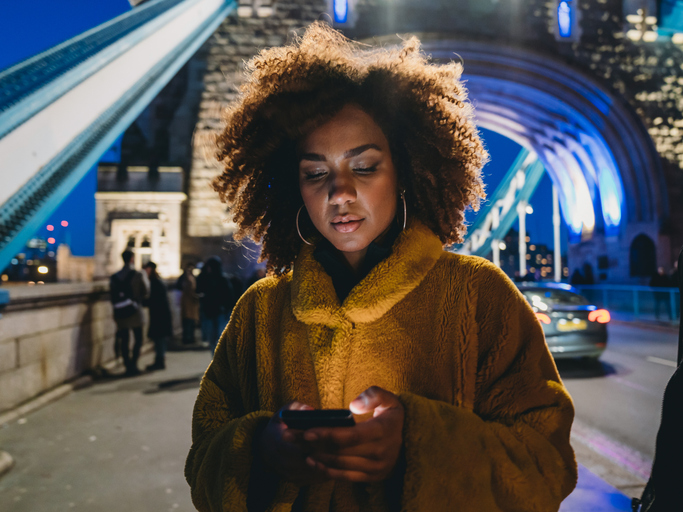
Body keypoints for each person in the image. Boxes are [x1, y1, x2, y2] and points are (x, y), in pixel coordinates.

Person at [185, 23, 577, 511]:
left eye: (364, 166)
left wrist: (419, 446)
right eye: (315, 173)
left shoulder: (480, 295)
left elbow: (546, 465)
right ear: (293, 187)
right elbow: (203, 457)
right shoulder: (259, 312)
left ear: (407, 170)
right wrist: (260, 451)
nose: (340, 192)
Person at [110, 250, 149, 376]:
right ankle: (133, 365)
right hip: (135, 310)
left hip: (120, 312)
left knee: (124, 340)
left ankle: (127, 366)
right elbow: (145, 292)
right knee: (138, 339)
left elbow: (112, 296)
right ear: (132, 259)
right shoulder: (137, 275)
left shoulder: (114, 277)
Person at [195, 256, 237, 354]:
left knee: (219, 338)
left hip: (220, 313)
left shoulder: (222, 279)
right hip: (210, 313)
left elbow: (229, 296)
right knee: (212, 339)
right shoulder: (205, 278)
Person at [143, 261, 173, 371]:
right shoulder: (157, 281)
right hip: (160, 314)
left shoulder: (155, 282)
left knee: (159, 339)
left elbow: (154, 300)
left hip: (159, 315)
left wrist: (143, 302)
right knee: (159, 339)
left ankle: (159, 361)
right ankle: (159, 360)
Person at [178, 262, 200, 345]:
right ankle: (187, 338)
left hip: (190, 304)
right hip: (189, 303)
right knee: (188, 321)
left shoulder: (190, 278)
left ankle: (189, 337)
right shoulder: (187, 279)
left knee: (190, 321)